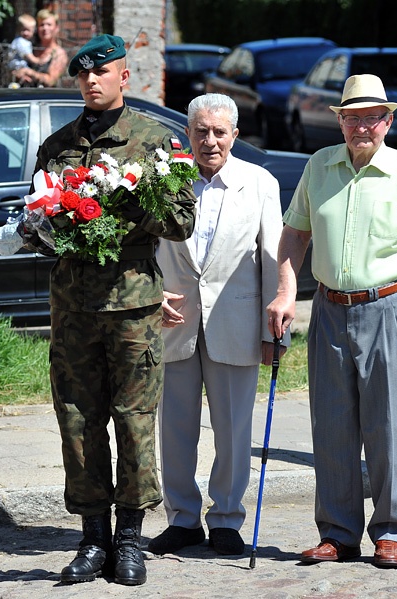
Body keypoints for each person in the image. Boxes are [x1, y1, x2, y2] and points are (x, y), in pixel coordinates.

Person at [19, 34, 196, 586]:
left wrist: (132, 206)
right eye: (83, 75)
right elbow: (37, 219)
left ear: (125, 77)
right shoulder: (58, 145)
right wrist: (45, 225)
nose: (92, 82)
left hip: (133, 307)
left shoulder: (155, 142)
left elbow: (183, 221)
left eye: (104, 72)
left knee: (134, 421)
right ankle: (92, 537)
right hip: (73, 306)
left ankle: (129, 540)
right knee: (77, 420)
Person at [267, 74, 397, 569]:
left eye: (371, 117)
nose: (360, 126)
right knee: (331, 424)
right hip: (328, 308)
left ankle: (391, 531)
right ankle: (338, 533)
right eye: (351, 117)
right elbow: (294, 236)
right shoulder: (319, 166)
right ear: (340, 121)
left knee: (390, 424)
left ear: (388, 121)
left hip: (389, 307)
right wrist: (286, 293)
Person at [149, 93, 289, 557]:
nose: (210, 141)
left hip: (238, 321)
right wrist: (152, 299)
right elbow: (145, 253)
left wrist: (275, 330)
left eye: (219, 132)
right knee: (175, 428)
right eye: (201, 131)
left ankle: (227, 518)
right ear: (187, 134)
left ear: (235, 135)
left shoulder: (260, 182)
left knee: (233, 429)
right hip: (175, 321)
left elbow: (273, 258)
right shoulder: (166, 182)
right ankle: (182, 518)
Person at [11, 9, 68, 87]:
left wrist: (29, 72)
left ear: (56, 28)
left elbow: (51, 81)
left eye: (49, 24)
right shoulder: (30, 47)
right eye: (41, 25)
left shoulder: (59, 54)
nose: (45, 28)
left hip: (46, 97)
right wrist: (18, 74)